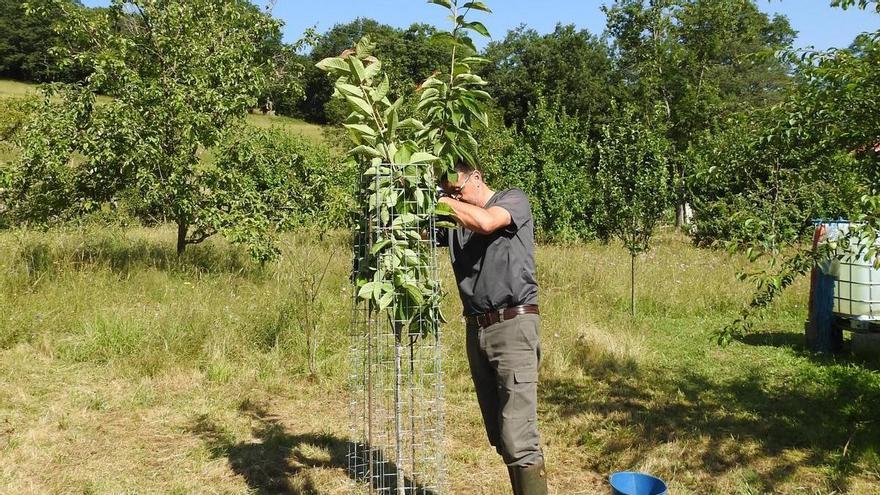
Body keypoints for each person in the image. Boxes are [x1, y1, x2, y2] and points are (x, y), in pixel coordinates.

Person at [437, 162, 548, 495]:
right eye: (448, 192)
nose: (453, 198)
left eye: (456, 191)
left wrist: (440, 201)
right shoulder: (458, 219)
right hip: (478, 330)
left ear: (477, 178)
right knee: (501, 436)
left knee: (518, 439)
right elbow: (421, 233)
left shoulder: (512, 200)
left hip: (513, 326)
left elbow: (487, 223)